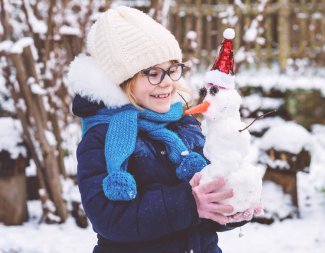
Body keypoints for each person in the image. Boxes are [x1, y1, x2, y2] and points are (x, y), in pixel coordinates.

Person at [68, 6, 254, 253]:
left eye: (173, 68)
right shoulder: (101, 137)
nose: (167, 81)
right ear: (123, 79)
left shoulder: (183, 123)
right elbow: (110, 219)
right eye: (153, 73)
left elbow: (206, 196)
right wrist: (190, 203)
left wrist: (233, 204)